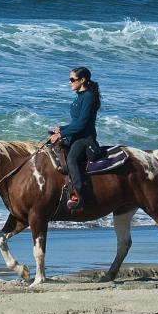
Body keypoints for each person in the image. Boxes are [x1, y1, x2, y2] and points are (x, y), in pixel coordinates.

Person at [49, 66, 101, 214]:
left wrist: (62, 133)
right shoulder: (80, 96)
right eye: (69, 79)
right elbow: (75, 123)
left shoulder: (88, 96)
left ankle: (78, 194)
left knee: (71, 159)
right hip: (76, 134)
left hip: (85, 138)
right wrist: (61, 129)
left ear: (82, 80)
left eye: (72, 79)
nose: (70, 82)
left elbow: (82, 124)